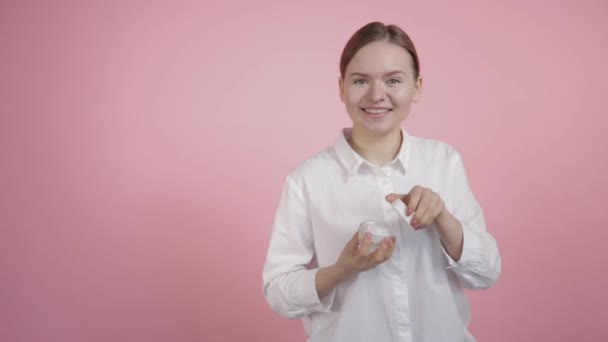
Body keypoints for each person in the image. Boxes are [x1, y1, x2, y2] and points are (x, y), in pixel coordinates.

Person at [262, 21, 501, 342]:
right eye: (360, 80)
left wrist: (443, 218)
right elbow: (278, 292)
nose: (377, 95)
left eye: (393, 80)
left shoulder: (444, 162)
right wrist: (343, 269)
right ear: (341, 88)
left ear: (416, 87)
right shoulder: (307, 179)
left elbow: (486, 274)